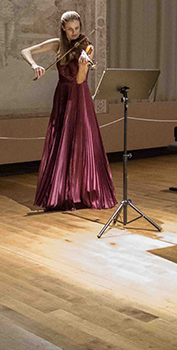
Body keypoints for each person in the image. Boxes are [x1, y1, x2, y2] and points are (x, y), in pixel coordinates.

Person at [20, 11, 117, 210]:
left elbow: (80, 80)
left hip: (79, 96)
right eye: (70, 29)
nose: (74, 33)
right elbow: (26, 51)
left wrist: (83, 65)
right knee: (61, 140)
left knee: (82, 140)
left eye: (77, 29)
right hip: (62, 95)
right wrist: (34, 65)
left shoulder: (87, 47)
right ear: (63, 28)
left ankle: (82, 191)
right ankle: (61, 192)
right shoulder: (57, 44)